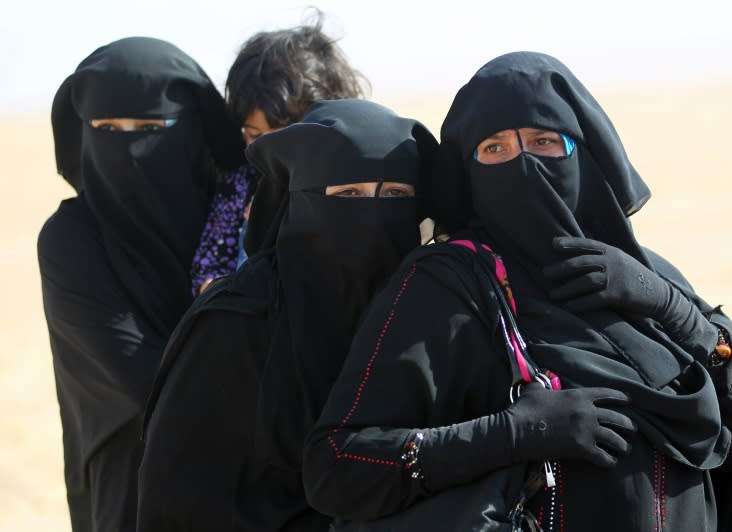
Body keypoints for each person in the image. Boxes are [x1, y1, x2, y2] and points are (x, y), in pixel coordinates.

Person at [303, 52, 732, 531]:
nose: (522, 164)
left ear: (584, 152)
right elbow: (336, 463)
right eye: (494, 149)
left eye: (545, 141)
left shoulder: (645, 273)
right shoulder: (448, 286)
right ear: (467, 170)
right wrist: (512, 434)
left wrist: (673, 308)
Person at [136, 99, 438, 531]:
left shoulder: (421, 309)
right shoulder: (237, 320)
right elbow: (177, 499)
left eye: (394, 195)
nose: (373, 214)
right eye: (348, 194)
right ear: (299, 199)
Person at [38, 37, 244, 532]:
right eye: (107, 129)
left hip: (257, 497)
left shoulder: (235, 221)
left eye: (151, 129)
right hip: (131, 495)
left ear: (195, 130)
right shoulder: (72, 239)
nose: (127, 148)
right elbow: (146, 384)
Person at [190, 13, 367, 294]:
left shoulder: (359, 185)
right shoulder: (240, 185)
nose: (268, 151)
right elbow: (207, 271)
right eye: (254, 135)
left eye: (286, 133)